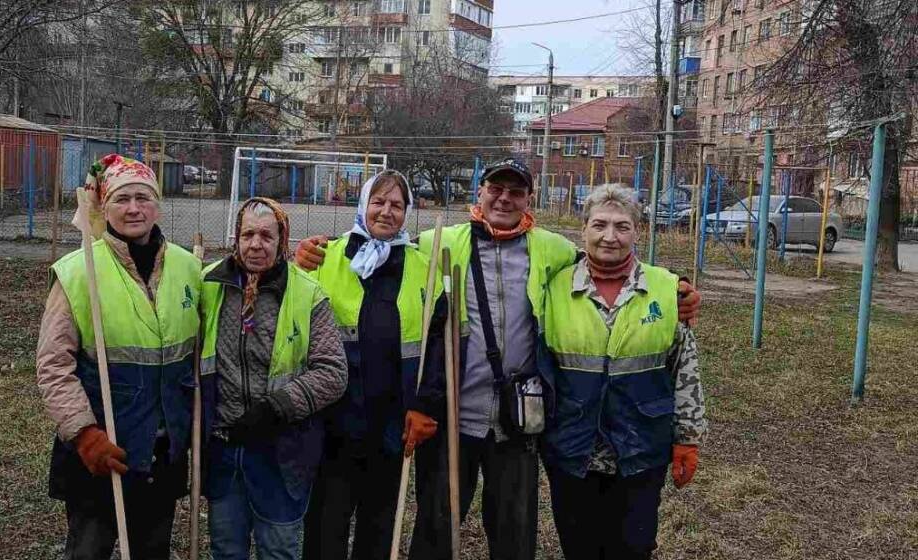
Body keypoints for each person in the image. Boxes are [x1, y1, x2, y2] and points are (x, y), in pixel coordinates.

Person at [295, 159, 702, 560]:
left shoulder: (553, 249)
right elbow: (384, 250)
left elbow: (606, 258)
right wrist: (315, 250)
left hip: (518, 422)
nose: (504, 199)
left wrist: (674, 287)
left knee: (514, 535)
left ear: (529, 199)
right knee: (436, 528)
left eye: (516, 191)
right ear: (481, 192)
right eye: (496, 188)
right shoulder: (442, 242)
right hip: (455, 417)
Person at [35, 154, 202, 560]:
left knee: (152, 549)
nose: (133, 208)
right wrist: (84, 434)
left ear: (158, 206)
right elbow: (54, 365)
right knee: (89, 550)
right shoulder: (79, 272)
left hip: (162, 451)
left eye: (143, 198)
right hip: (103, 451)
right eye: (122, 198)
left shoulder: (189, 267)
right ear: (104, 207)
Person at [538, 184, 705, 560]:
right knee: (579, 548)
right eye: (599, 225)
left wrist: (688, 438)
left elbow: (686, 369)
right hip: (572, 450)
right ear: (583, 230)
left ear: (638, 232)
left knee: (633, 548)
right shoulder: (554, 289)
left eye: (622, 226)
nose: (609, 237)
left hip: (641, 448)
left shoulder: (666, 290)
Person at [301, 171, 447, 560]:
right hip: (334, 420)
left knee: (379, 525)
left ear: (407, 212)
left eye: (396, 205)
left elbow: (438, 345)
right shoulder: (326, 256)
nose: (386, 212)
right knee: (325, 525)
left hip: (392, 423)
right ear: (362, 205)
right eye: (378, 202)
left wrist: (424, 405)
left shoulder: (423, 268)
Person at [199, 197, 348, 560]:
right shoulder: (209, 285)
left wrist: (277, 407)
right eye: (248, 234)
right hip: (225, 444)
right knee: (226, 548)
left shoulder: (307, 294)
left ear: (282, 241)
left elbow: (333, 372)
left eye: (267, 236)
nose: (255, 244)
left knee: (278, 549)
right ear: (235, 237)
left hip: (283, 449)